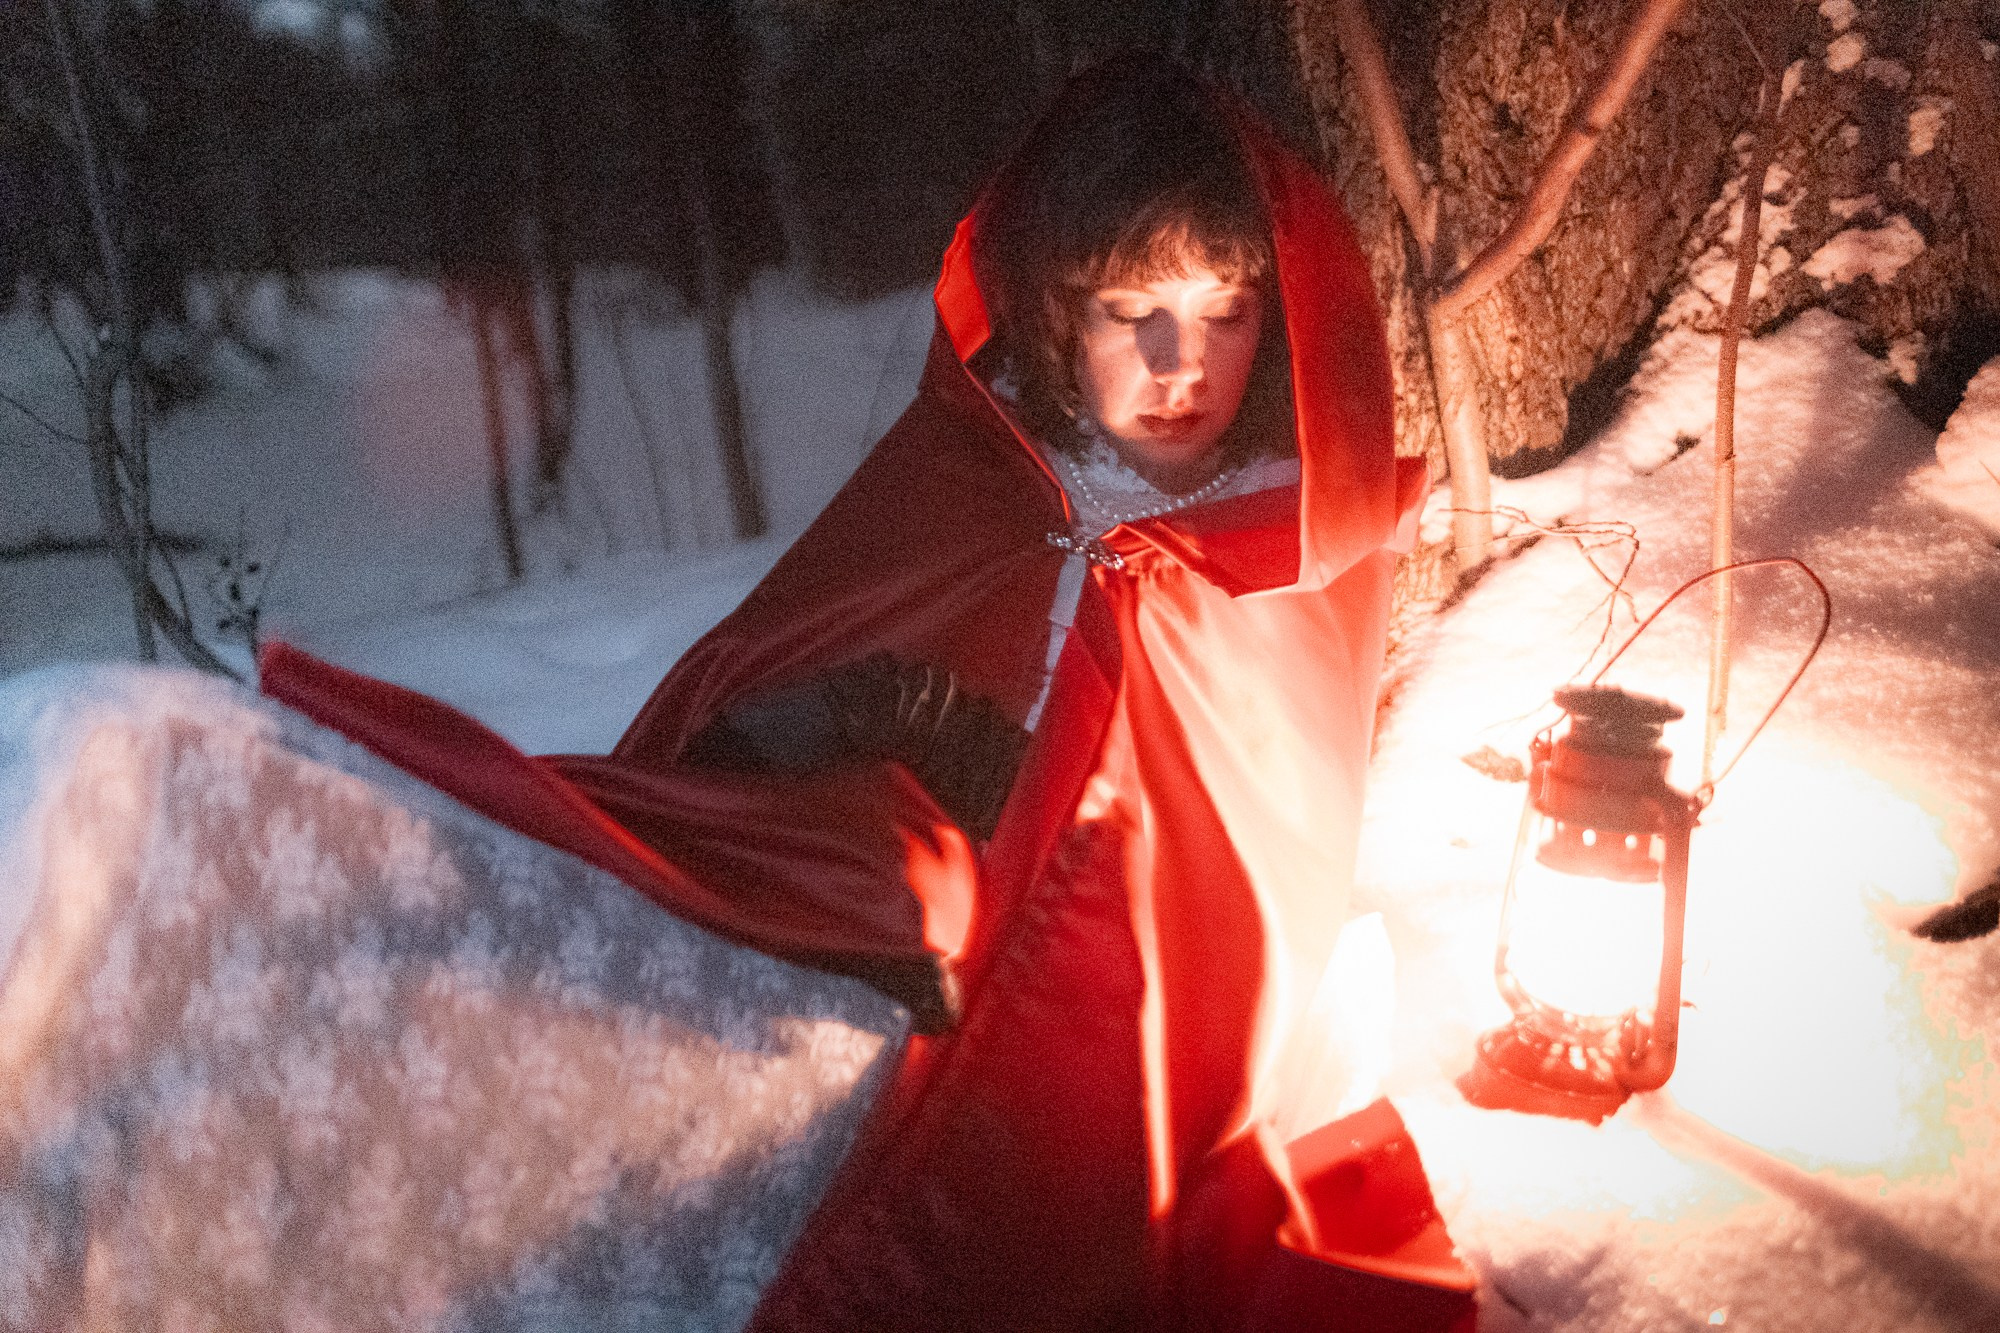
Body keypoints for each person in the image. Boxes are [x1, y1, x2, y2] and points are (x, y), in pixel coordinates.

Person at [266, 57, 1426, 1332]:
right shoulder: (970, 471)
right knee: (631, 945)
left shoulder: (1290, 551)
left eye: (1224, 310)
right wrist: (838, 730)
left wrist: (1032, 792)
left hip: (1071, 1006)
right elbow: (791, 656)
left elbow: (1247, 859)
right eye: (1128, 310)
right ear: (1054, 314)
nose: (1177, 360)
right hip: (863, 894)